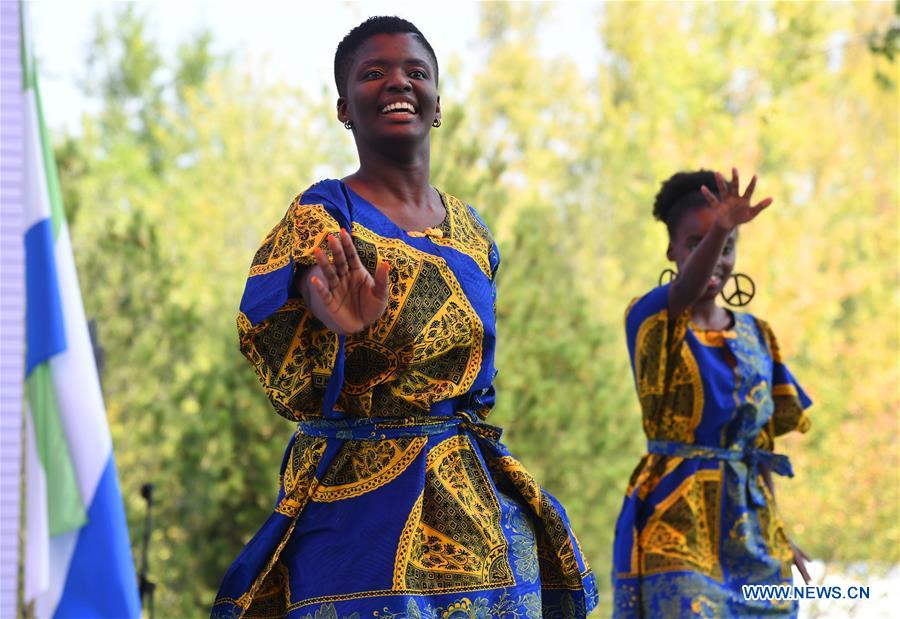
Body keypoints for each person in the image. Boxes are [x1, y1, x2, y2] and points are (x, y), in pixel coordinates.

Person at [211, 16, 598, 619]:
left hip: (467, 492)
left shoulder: (473, 232)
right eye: (374, 73)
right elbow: (306, 281)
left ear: (437, 102)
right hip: (355, 501)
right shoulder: (325, 206)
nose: (398, 82)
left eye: (416, 72)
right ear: (344, 108)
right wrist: (336, 314)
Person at [611, 169, 813, 617]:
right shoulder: (651, 318)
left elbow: (759, 449)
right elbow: (683, 291)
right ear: (672, 249)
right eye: (698, 244)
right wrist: (722, 226)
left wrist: (781, 533)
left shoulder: (758, 336)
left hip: (752, 533)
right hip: (675, 527)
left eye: (726, 248)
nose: (716, 258)